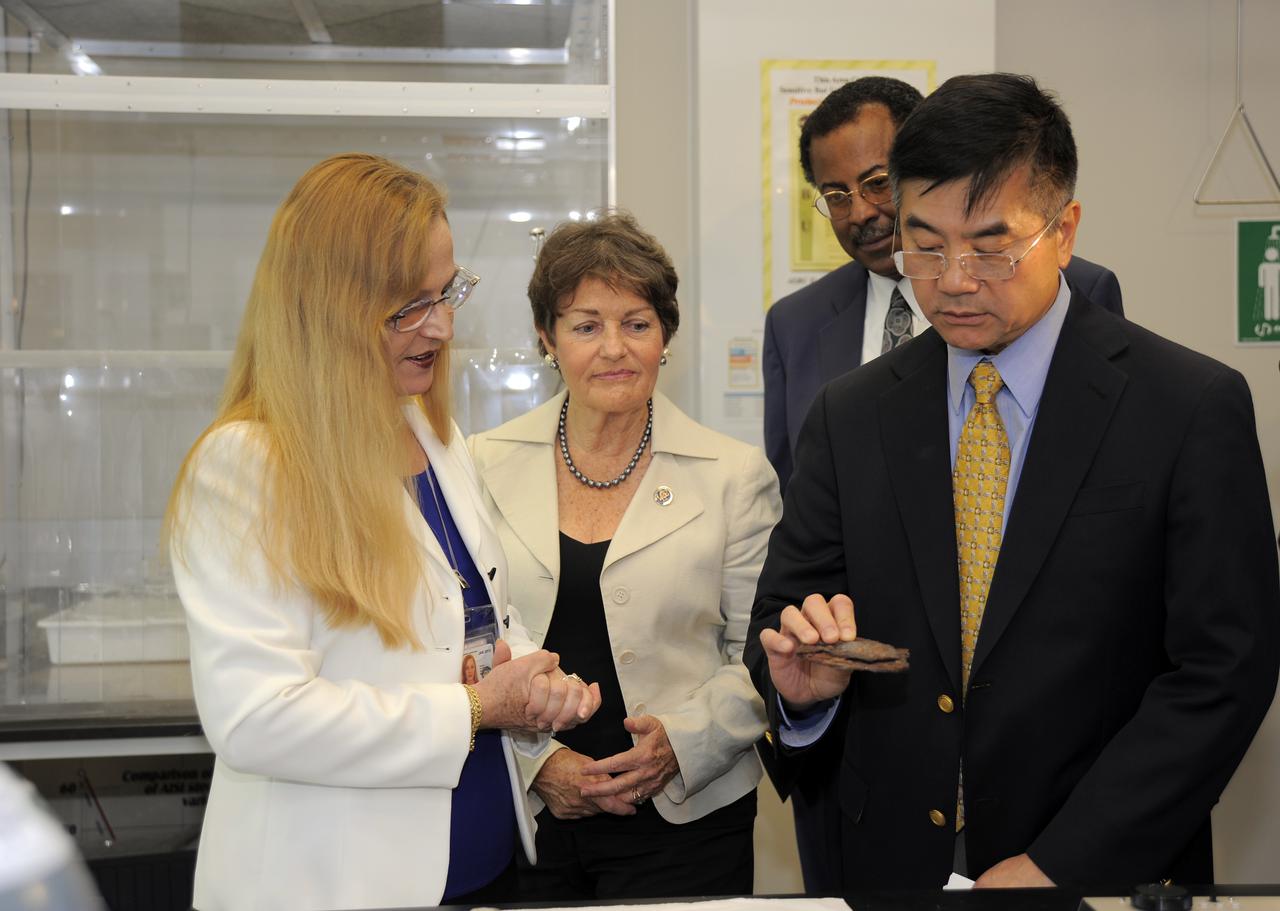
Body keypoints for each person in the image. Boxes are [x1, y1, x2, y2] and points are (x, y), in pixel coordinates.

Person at [746, 74, 1280, 891]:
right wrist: (809, 695)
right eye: (923, 244)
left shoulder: (1186, 407)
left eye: (991, 246)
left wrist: (1059, 862)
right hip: (890, 866)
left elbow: (1223, 671)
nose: (954, 279)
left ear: (1063, 231)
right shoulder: (849, 417)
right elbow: (782, 622)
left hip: (1101, 866)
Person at [165, 153, 602, 911]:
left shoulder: (430, 433)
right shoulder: (247, 465)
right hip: (334, 883)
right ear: (329, 306)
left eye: (447, 292)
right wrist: (475, 710)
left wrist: (531, 680)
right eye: (408, 304)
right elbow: (256, 717)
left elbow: (479, 622)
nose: (440, 325)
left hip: (480, 862)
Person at [469, 213, 779, 899]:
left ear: (664, 336)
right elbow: (464, 646)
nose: (615, 348)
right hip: (531, 813)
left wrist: (681, 742)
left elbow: (758, 655)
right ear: (548, 339)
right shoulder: (481, 465)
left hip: (689, 817)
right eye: (586, 326)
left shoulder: (734, 474)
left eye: (636, 323)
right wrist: (540, 763)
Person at [764, 76, 1125, 496]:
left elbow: (1106, 456)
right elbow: (794, 484)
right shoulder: (795, 322)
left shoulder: (1072, 286)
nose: (860, 212)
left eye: (877, 183)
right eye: (838, 196)